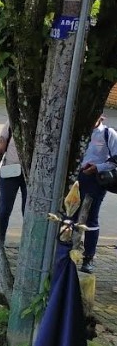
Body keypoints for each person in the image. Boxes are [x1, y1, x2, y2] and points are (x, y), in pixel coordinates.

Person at [75, 115, 117, 273]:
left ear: (102, 117)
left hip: (95, 179)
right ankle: (69, 253)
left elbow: (115, 159)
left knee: (91, 217)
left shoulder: (108, 134)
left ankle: (88, 257)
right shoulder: (80, 131)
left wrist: (97, 167)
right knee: (71, 215)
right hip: (76, 177)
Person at [0, 121, 27, 246]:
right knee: (5, 209)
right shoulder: (10, 124)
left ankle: (28, 243)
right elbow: (0, 149)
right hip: (10, 171)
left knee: (27, 209)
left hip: (30, 173)